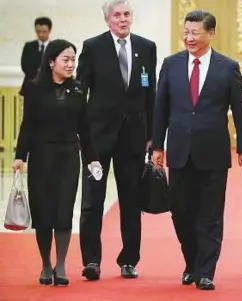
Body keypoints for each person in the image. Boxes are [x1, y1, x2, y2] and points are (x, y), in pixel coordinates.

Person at [152, 10, 242, 290]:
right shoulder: (171, 64)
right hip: (180, 150)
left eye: (195, 32)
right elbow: (161, 108)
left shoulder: (227, 67)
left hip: (214, 152)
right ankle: (192, 262)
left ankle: (206, 270)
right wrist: (157, 145)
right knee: (181, 211)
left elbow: (240, 111)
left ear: (211, 33)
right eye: (186, 32)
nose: (189, 37)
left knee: (210, 213)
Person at [76, 0, 157, 280]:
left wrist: (152, 136)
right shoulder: (93, 47)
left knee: (131, 201)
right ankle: (91, 261)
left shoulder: (147, 47)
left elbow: (151, 96)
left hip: (134, 137)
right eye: (117, 15)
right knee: (92, 202)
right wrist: (82, 135)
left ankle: (129, 260)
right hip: (97, 140)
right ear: (107, 20)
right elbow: (80, 93)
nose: (123, 19)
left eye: (127, 14)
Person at [12, 39, 101, 286]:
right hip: (41, 157)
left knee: (63, 211)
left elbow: (85, 129)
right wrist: (20, 156)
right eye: (66, 59)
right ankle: (45, 264)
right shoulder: (34, 89)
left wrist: (92, 160)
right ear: (51, 62)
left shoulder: (79, 89)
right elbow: (27, 125)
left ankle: (61, 264)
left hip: (68, 157)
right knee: (43, 213)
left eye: (73, 59)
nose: (71, 64)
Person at [20, 17, 52, 96]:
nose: (41, 34)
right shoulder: (29, 46)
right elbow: (24, 65)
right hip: (31, 85)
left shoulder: (54, 46)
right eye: (38, 31)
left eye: (44, 32)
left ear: (49, 31)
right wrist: (36, 77)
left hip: (49, 86)